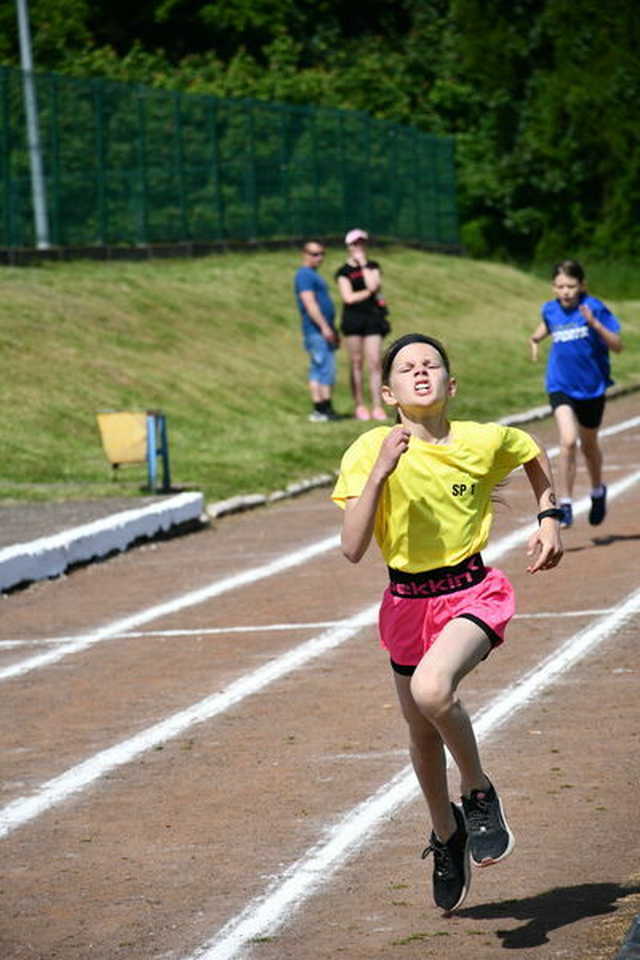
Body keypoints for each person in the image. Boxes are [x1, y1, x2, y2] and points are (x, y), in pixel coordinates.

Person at [332, 333, 563, 913]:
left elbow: (530, 449)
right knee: (419, 732)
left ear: (450, 384)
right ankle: (447, 832)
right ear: (388, 393)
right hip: (406, 602)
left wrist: (550, 517)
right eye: (406, 368)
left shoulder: (481, 441)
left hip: (470, 591)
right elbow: (353, 547)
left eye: (431, 365)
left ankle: (479, 791)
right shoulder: (368, 449)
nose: (420, 373)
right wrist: (383, 469)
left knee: (433, 690)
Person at [529, 259, 622, 528]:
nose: (565, 292)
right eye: (560, 286)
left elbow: (617, 346)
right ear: (553, 287)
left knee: (589, 445)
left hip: (592, 387)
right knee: (568, 441)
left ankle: (597, 491)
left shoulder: (594, 308)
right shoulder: (550, 309)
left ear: (582, 285)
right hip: (560, 385)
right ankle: (565, 504)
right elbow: (548, 324)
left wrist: (595, 324)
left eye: (570, 286)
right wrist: (535, 339)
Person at [335, 228, 389, 422]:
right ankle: (359, 404)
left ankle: (377, 405)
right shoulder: (343, 271)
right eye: (355, 244)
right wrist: (367, 293)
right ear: (348, 246)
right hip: (353, 320)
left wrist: (363, 264)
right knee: (356, 362)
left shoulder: (372, 265)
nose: (359, 247)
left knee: (375, 362)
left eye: (362, 243)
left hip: (373, 318)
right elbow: (348, 297)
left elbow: (374, 284)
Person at [294, 240, 340, 422]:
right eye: (314, 254)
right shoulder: (304, 275)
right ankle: (322, 408)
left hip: (320, 329)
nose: (319, 258)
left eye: (321, 253)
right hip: (316, 331)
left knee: (320, 368)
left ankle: (322, 408)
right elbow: (309, 303)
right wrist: (324, 327)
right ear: (304, 254)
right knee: (324, 368)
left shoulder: (312, 275)